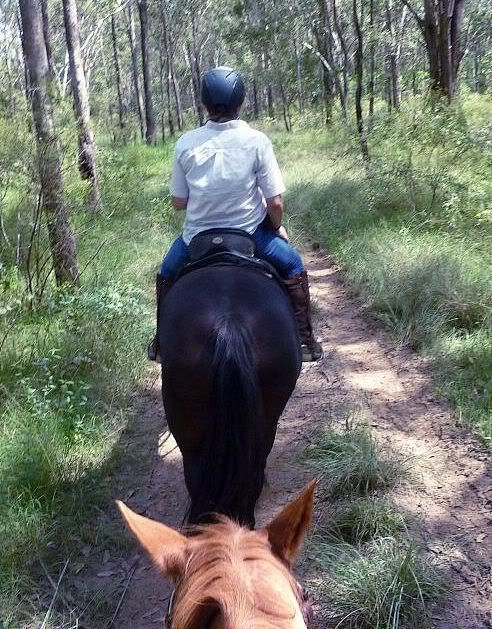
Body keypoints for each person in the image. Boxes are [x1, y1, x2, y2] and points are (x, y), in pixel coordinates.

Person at [148, 66, 322, 363]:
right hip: (251, 234)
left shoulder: (185, 143)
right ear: (240, 102)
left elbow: (179, 202)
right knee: (293, 264)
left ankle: (162, 344)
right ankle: (305, 339)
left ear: (203, 103)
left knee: (167, 273)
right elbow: (275, 203)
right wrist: (276, 228)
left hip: (196, 239)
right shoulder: (257, 141)